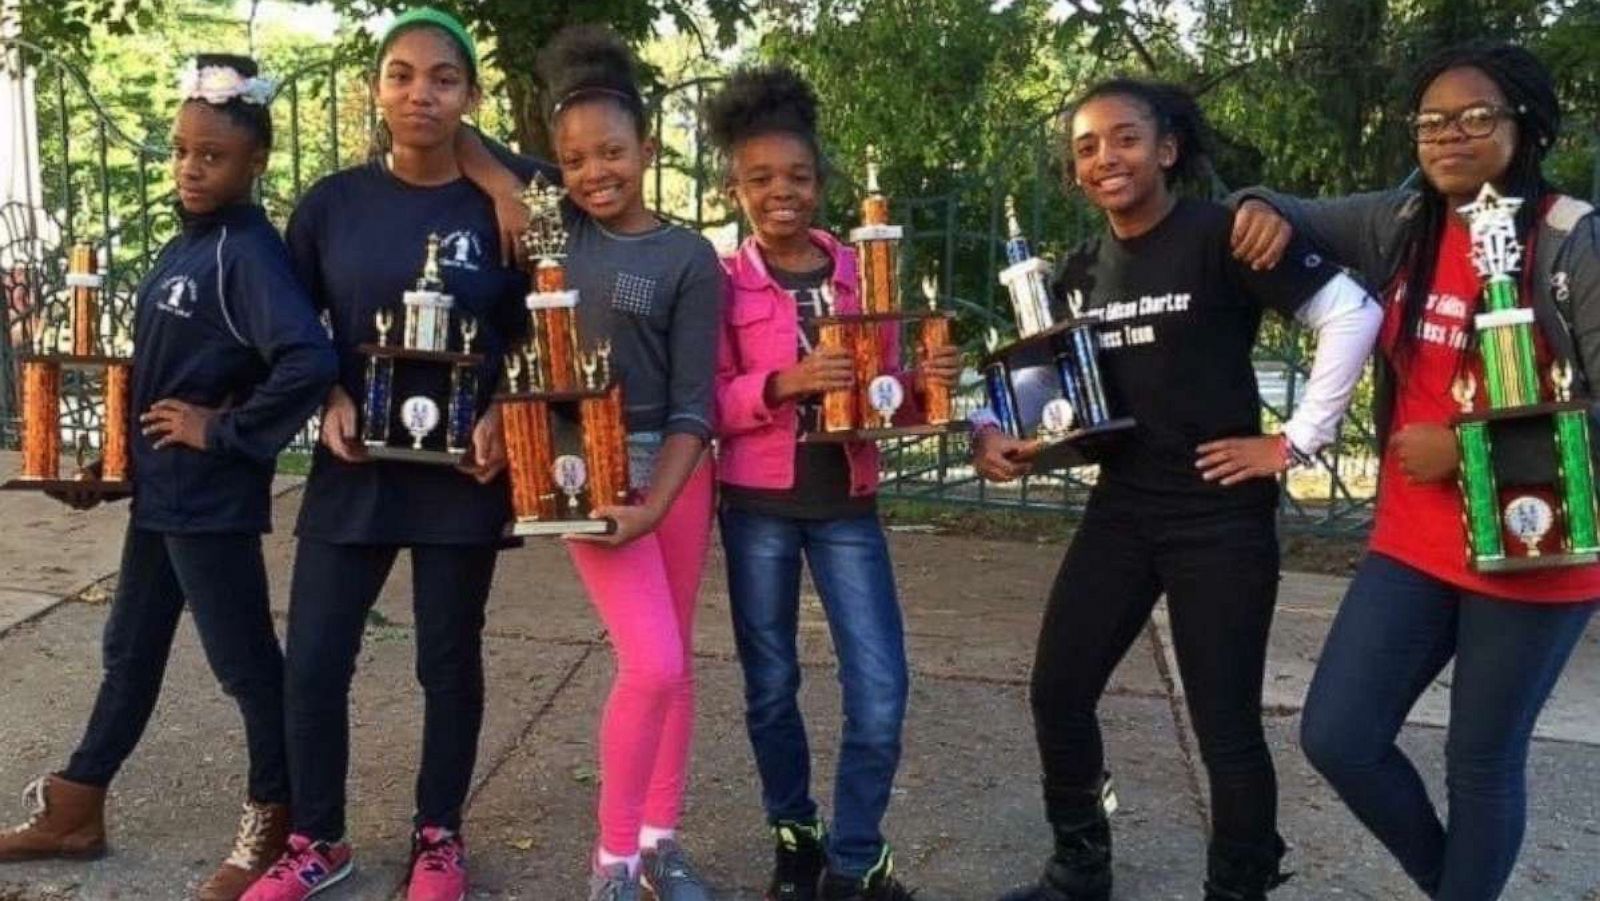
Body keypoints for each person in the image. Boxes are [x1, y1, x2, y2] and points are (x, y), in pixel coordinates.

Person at [973, 78, 1380, 901]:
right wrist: (996, 438)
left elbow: (1352, 314)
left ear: (1166, 149)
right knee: (1059, 689)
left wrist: (1295, 441)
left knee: (1224, 726)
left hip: (1219, 519)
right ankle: (1078, 869)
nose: (1103, 158)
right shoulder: (1083, 268)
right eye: (1085, 147)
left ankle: (1239, 888)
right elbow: (1043, 389)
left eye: (1123, 138)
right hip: (1122, 510)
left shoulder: (1225, 233)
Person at [1231, 41, 1600, 900]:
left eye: (1477, 118)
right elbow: (1286, 208)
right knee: (1338, 732)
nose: (1448, 136)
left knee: (1480, 758)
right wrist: (1256, 207)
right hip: (1414, 542)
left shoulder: (1571, 242)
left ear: (1526, 127)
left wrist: (1469, 446)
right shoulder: (1403, 222)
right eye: (1432, 122)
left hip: (1536, 550)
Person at [0, 53, 336, 901]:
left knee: (246, 665)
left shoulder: (246, 254)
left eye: (212, 155)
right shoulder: (189, 244)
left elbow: (306, 360)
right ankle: (78, 802)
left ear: (253, 162)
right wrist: (110, 464)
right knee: (129, 650)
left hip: (209, 500)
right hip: (159, 495)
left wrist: (221, 429)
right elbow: (157, 373)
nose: (191, 167)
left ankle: (279, 817)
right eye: (183, 150)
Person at [243, 9, 546, 901]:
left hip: (464, 474)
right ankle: (316, 837)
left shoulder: (513, 203)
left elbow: (547, 328)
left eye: (443, 78)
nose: (421, 93)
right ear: (376, 88)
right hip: (356, 465)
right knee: (318, 657)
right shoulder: (333, 204)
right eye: (402, 75)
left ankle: (439, 836)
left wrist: (507, 408)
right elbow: (295, 331)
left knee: (447, 658)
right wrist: (330, 395)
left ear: (471, 95)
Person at [704, 65, 961, 901]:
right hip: (758, 508)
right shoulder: (723, 282)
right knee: (772, 684)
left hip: (847, 503)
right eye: (761, 179)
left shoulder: (862, 271)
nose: (783, 193)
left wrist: (929, 376)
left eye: (799, 177)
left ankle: (854, 859)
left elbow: (887, 392)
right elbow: (704, 400)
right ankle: (796, 833)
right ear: (736, 187)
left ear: (822, 182)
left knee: (881, 685)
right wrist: (782, 383)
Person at [535, 25, 723, 901]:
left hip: (675, 473)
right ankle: (610, 860)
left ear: (646, 149)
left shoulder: (689, 257)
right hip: (586, 468)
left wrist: (660, 501)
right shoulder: (556, 233)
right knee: (648, 661)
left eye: (611, 151)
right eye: (574, 159)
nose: (594, 171)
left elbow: (696, 403)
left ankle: (657, 843)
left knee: (676, 660)